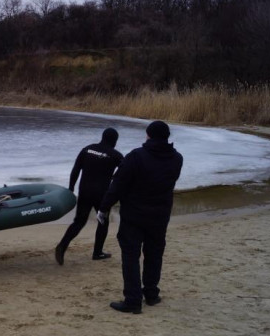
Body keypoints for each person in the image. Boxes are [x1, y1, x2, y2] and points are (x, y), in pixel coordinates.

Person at [98, 120, 183, 314]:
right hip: (160, 216)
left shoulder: (136, 156)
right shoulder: (177, 158)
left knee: (131, 256)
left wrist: (104, 207)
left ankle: (133, 300)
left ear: (149, 135)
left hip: (134, 216)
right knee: (154, 254)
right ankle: (151, 294)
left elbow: (118, 184)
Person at [55, 127, 123, 265]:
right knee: (103, 221)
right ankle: (97, 252)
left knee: (79, 221)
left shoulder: (87, 149)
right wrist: (113, 178)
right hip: (102, 195)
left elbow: (76, 169)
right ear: (115, 141)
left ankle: (62, 245)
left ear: (102, 137)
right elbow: (126, 171)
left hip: (85, 191)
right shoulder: (115, 155)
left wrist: (71, 188)